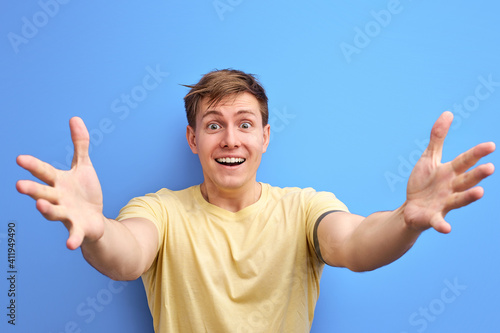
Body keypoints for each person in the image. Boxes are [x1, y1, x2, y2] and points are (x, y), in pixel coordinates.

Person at [16, 69, 495, 333]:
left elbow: (354, 244)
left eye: (245, 124)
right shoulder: (159, 209)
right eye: (213, 125)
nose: (230, 140)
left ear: (265, 137)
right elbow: (127, 254)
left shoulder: (305, 207)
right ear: (192, 139)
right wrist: (98, 229)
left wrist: (405, 222)